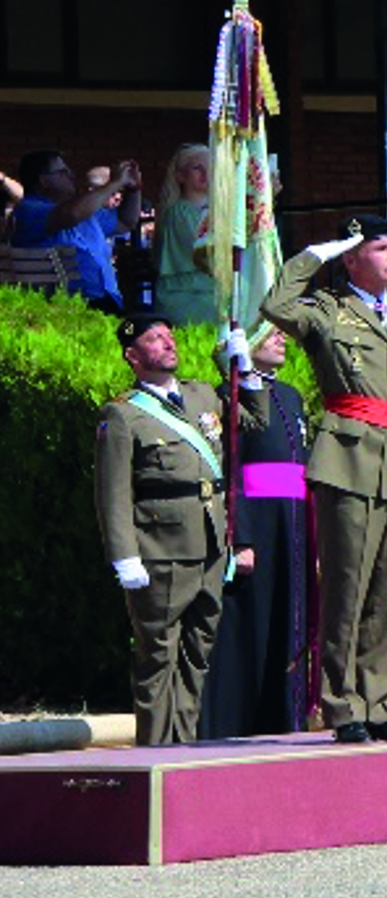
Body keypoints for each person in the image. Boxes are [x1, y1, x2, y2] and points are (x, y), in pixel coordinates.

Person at [264, 216, 387, 744]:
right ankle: (343, 706)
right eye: (380, 248)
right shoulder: (328, 311)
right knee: (348, 588)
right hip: (349, 461)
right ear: (352, 259)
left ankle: (380, 701)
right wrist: (315, 254)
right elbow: (275, 305)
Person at [95, 315, 237, 745]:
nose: (167, 342)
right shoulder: (122, 415)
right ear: (133, 356)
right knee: (157, 654)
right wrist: (124, 555)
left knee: (199, 651)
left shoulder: (201, 395)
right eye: (154, 338)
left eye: (169, 335)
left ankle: (184, 744)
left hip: (211, 541)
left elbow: (252, 419)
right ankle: (154, 750)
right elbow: (112, 491)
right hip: (161, 548)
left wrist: (242, 369)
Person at [200, 324, 315, 738]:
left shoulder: (290, 395)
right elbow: (230, 470)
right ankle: (235, 720)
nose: (281, 339)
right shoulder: (229, 397)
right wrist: (240, 535)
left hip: (294, 523)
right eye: (269, 335)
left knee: (290, 621)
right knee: (250, 626)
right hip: (258, 524)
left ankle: (286, 716)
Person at [13, 147, 140, 313]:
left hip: (104, 302)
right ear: (43, 180)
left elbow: (125, 221)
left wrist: (133, 189)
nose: (71, 175)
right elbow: (71, 215)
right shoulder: (29, 209)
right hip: (64, 308)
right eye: (63, 172)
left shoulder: (83, 211)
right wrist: (114, 183)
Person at [151, 145, 220, 327]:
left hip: (210, 291)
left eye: (210, 167)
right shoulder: (180, 212)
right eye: (198, 168)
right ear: (180, 176)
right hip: (188, 295)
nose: (206, 174)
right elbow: (206, 252)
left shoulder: (213, 211)